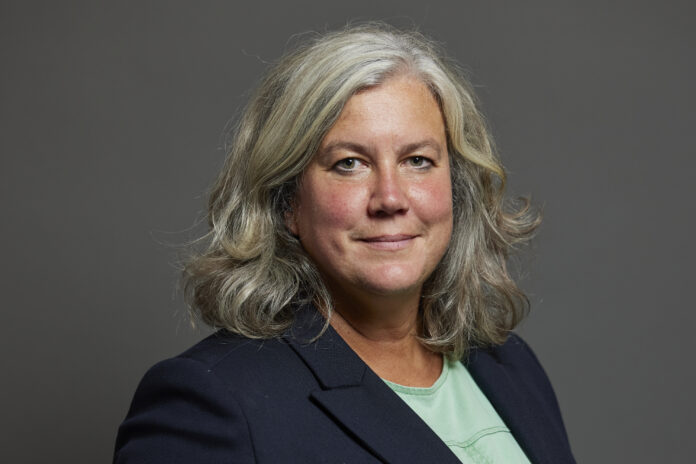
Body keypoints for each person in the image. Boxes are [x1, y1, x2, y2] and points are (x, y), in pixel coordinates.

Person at [113, 23, 575, 463]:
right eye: (349, 163)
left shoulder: (510, 365)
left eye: (417, 160)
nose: (390, 198)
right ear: (288, 202)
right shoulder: (211, 403)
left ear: (455, 186)